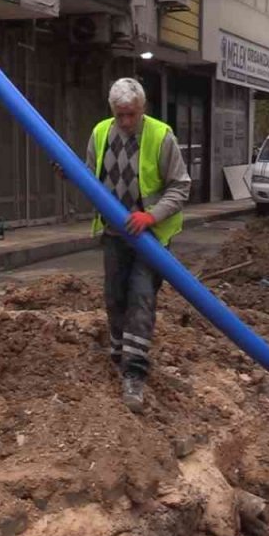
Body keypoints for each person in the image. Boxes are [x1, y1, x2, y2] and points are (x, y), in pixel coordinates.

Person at [80, 77, 190, 412]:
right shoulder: (101, 133)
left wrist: (151, 216)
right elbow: (90, 177)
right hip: (114, 235)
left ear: (142, 109)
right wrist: (68, 173)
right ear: (112, 110)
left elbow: (180, 187)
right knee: (115, 298)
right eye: (120, 115)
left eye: (132, 114)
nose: (126, 122)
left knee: (141, 298)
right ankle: (118, 356)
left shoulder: (160, 135)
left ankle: (135, 374)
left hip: (150, 240)